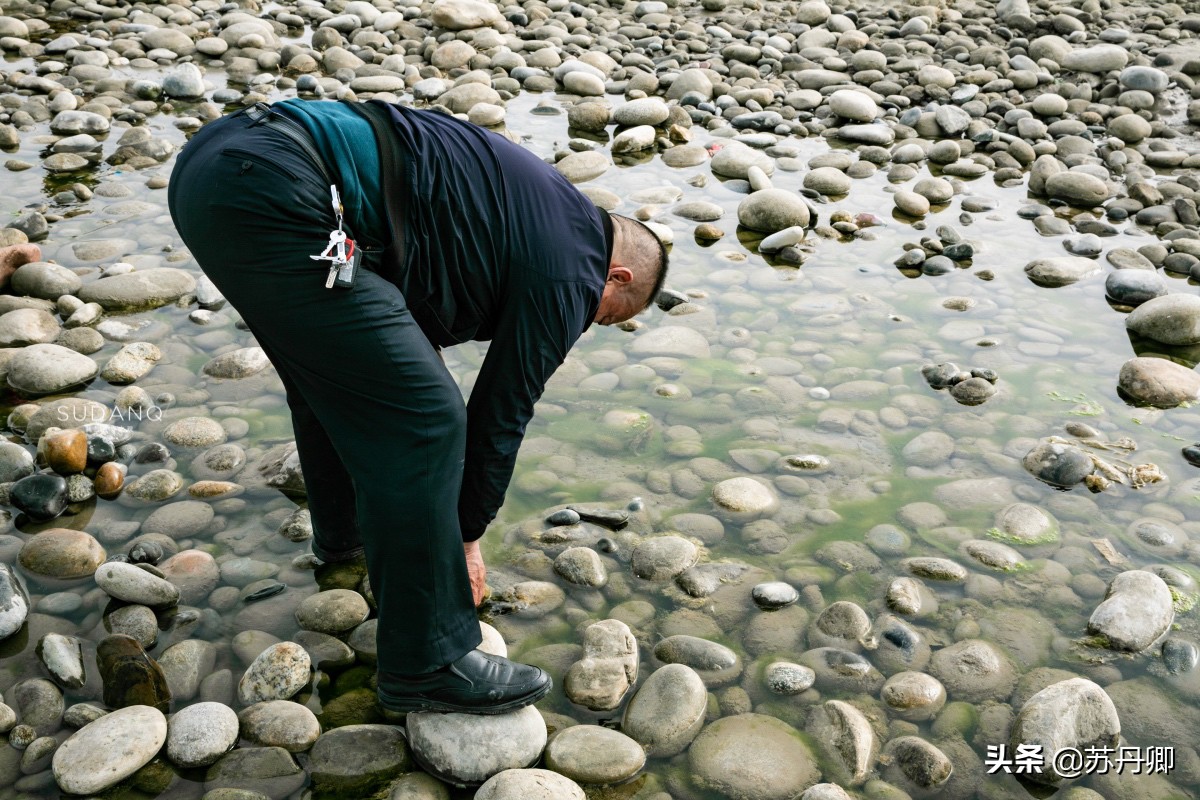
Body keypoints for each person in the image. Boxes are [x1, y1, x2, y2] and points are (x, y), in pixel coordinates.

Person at [167, 98, 669, 715]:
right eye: (602, 316)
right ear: (616, 277)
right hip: (279, 190)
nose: (582, 323)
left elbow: (407, 309)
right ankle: (428, 663)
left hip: (215, 167)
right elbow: (501, 412)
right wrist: (464, 539)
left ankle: (343, 539)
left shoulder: (538, 208)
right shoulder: (574, 270)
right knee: (428, 422)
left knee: (336, 373)